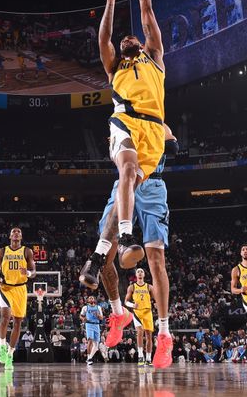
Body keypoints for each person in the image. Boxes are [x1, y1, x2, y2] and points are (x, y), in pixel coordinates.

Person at [90, 0, 167, 275]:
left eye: (131, 37)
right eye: (123, 41)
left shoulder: (155, 58)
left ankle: (99, 253)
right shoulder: (114, 68)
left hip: (154, 130)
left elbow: (147, 11)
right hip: (124, 122)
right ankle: (124, 236)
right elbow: (103, 39)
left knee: (132, 182)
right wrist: (110, 1)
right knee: (127, 171)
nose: (127, 39)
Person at [80, 123, 178, 370]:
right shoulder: (120, 121)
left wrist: (154, 132)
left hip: (152, 185)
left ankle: (164, 334)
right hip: (124, 184)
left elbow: (173, 146)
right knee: (104, 258)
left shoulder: (156, 120)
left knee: (156, 261)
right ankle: (117, 311)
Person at [0, 227, 36, 369]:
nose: (16, 234)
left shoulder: (27, 251)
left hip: (20, 288)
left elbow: (34, 272)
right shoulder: (2, 251)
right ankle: (2, 345)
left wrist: (28, 273)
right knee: (5, 317)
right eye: (13, 232)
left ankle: (10, 355)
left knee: (18, 322)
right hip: (6, 288)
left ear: (21, 237)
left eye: (19, 232)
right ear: (10, 236)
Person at [126, 268, 156, 366]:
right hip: (137, 312)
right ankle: (140, 356)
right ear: (135, 274)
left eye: (141, 271)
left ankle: (148, 358)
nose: (139, 273)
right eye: (138, 271)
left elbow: (156, 299)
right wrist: (132, 305)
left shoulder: (149, 287)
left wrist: (156, 304)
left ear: (144, 275)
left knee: (149, 336)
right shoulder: (132, 287)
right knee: (139, 332)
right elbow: (126, 301)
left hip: (148, 312)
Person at [80, 296, 103, 365]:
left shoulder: (98, 307)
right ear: (87, 300)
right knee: (90, 341)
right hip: (89, 324)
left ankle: (89, 358)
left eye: (92, 298)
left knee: (96, 345)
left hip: (96, 325)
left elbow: (101, 318)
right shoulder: (85, 307)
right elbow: (81, 316)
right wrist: (83, 319)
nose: (91, 299)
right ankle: (89, 358)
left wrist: (98, 315)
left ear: (95, 300)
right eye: (90, 298)